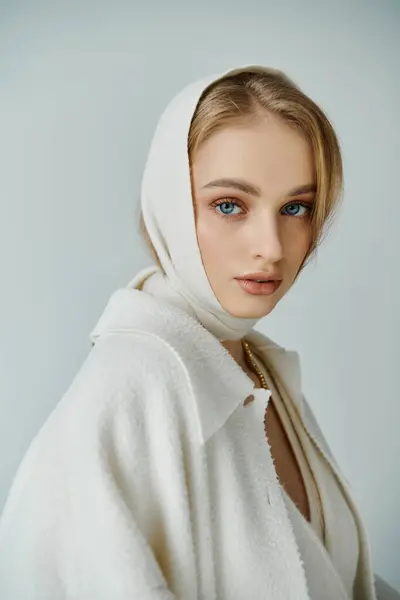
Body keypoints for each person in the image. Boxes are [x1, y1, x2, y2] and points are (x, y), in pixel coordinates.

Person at [0, 64, 397, 599]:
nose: (272, 246)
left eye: (296, 208)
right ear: (167, 203)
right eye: (229, 205)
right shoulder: (131, 389)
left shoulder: (258, 369)